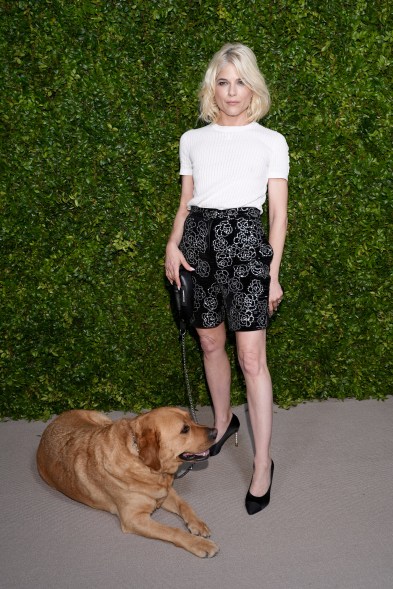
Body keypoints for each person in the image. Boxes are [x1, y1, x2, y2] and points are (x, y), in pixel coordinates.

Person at [165, 43, 289, 515]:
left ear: (252, 86)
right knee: (210, 344)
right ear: (212, 88)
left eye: (240, 81)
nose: (231, 91)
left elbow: (277, 216)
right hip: (197, 248)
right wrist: (172, 245)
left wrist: (272, 273)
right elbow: (186, 203)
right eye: (223, 81)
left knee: (252, 358)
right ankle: (222, 422)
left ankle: (263, 464)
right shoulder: (192, 139)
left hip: (246, 249)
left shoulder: (271, 140)